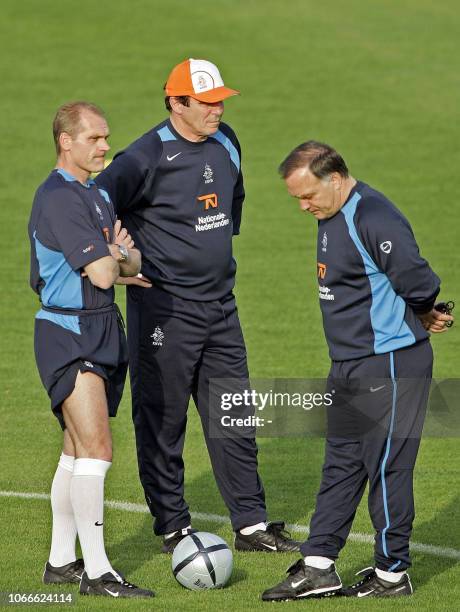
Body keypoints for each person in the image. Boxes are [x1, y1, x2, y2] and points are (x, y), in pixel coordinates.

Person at [96, 58, 300, 553]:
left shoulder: (226, 140)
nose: (217, 109)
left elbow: (231, 209)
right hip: (164, 310)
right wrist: (120, 258)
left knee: (234, 414)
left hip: (220, 307)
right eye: (206, 103)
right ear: (176, 103)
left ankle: (250, 523)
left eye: (220, 101)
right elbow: (95, 202)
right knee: (163, 419)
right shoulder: (144, 156)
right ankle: (172, 525)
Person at [262, 141, 454, 601]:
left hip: (388, 363)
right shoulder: (332, 215)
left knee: (387, 467)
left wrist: (422, 310)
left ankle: (391, 575)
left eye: (307, 196)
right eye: (297, 200)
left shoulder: (372, 217)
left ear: (334, 178)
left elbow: (419, 280)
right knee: (342, 464)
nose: (303, 206)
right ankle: (319, 566)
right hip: (350, 363)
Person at [28, 101, 154, 598]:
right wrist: (115, 255)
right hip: (69, 333)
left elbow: (133, 262)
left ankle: (61, 564)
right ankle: (99, 573)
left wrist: (117, 255)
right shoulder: (60, 199)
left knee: (76, 450)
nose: (105, 146)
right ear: (66, 141)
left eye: (105, 138)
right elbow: (109, 271)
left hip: (99, 327)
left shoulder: (93, 195)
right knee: (98, 450)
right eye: (94, 139)